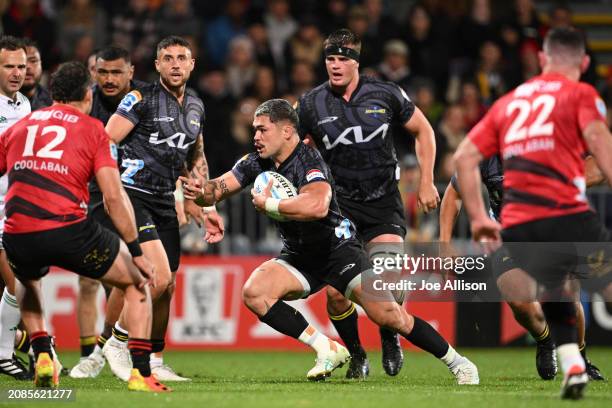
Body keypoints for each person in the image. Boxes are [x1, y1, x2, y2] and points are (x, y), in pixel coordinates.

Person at [181, 98, 479, 384]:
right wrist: (201, 192)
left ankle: (458, 363)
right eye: (255, 129)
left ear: (286, 130)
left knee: (392, 316)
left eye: (262, 129)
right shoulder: (255, 162)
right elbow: (219, 188)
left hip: (338, 251)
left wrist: (271, 206)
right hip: (299, 255)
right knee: (254, 292)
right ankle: (327, 348)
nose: (255, 135)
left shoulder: (309, 161)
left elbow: (317, 206)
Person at [454, 27, 612, 400]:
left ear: (542, 60)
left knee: (557, 290)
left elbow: (462, 158)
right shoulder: (581, 94)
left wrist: (478, 218)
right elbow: (601, 147)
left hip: (519, 223)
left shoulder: (508, 102)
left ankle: (573, 364)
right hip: (563, 212)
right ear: (585, 63)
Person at [0, 61, 169, 392]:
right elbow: (114, 196)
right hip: (68, 229)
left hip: (18, 231)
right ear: (87, 96)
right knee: (136, 284)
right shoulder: (93, 130)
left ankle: (42, 350)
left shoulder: (21, 125)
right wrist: (135, 251)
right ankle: (140, 372)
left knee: (27, 282)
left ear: (53, 95)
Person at [296, 28, 440, 378]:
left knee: (388, 282)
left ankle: (390, 333)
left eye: (343, 59)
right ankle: (358, 354)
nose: (335, 65)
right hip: (339, 207)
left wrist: (426, 180)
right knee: (335, 293)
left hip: (382, 203)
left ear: (356, 62)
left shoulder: (385, 92)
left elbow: (424, 130)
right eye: (330, 59)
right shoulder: (311, 103)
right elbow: (292, 148)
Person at [102, 35, 224, 382]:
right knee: (157, 277)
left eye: (181, 58)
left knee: (167, 287)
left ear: (191, 64)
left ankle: (155, 360)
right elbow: (105, 142)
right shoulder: (139, 99)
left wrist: (205, 201)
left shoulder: (197, 105)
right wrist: (109, 189)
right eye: (167, 58)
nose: (174, 64)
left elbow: (194, 155)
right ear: (157, 65)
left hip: (163, 200)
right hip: (132, 195)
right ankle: (117, 341)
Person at [439, 156, 604, 381]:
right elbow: (454, 192)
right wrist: (445, 244)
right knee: (519, 300)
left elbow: (597, 168)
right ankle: (545, 341)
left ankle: (581, 358)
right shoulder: (484, 151)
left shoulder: (546, 142)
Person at [69, 45, 148, 379]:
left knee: (136, 275)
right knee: (98, 277)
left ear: (131, 72)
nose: (110, 79)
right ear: (93, 73)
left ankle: (122, 350)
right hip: (94, 197)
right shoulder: (84, 103)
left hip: (139, 198)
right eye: (103, 72)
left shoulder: (148, 100)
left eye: (117, 72)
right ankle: (96, 351)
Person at [0, 35, 33, 381]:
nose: (17, 72)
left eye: (21, 66)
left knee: (18, 283)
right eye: (8, 66)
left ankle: (7, 353)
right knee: (17, 284)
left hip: (11, 210)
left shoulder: (22, 104)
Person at [20, 39, 52, 111]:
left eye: (33, 61)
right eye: (22, 61)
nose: (27, 66)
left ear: (41, 64)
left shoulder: (52, 103)